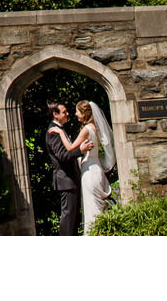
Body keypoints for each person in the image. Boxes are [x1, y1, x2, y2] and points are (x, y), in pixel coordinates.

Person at [71, 99, 115, 233]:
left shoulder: (87, 129)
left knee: (91, 208)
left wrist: (60, 134)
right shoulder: (95, 128)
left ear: (84, 113)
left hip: (89, 171)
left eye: (77, 111)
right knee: (95, 207)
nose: (75, 114)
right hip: (96, 168)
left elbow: (70, 148)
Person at [42, 102, 81, 235]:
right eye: (64, 112)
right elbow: (63, 156)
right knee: (68, 216)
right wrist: (80, 150)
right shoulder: (53, 132)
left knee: (73, 217)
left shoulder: (61, 129)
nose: (68, 114)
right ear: (55, 114)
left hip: (71, 179)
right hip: (66, 179)